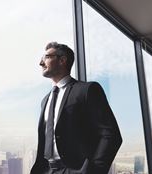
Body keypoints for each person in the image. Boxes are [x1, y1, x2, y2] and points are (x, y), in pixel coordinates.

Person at [30, 42, 122, 174]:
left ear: (62, 60)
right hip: (47, 170)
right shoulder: (45, 100)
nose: (41, 63)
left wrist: (93, 171)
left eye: (47, 57)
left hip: (76, 170)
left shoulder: (87, 90)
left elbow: (110, 134)